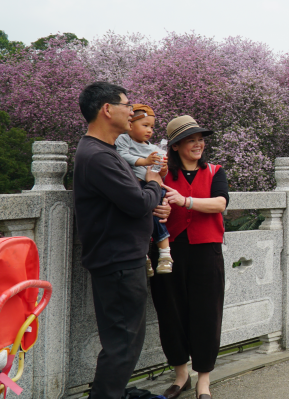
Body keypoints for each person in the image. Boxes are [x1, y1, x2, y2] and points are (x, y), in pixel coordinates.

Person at [73, 82, 180, 399]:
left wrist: (154, 201)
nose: (131, 111)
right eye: (127, 105)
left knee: (125, 340)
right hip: (117, 260)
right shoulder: (98, 156)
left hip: (120, 257)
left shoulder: (103, 152)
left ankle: (114, 393)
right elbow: (136, 203)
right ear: (107, 109)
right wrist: (153, 183)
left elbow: (134, 200)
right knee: (123, 342)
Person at [149, 116, 229, 399]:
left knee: (207, 314)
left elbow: (220, 203)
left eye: (200, 139)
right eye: (190, 140)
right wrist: (159, 208)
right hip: (167, 251)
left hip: (207, 250)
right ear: (175, 146)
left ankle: (203, 380)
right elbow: (150, 201)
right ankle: (181, 375)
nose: (198, 144)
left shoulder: (215, 171)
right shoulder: (162, 173)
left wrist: (186, 201)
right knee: (170, 312)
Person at [115, 104, 173, 276]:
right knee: (140, 222)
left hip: (151, 187)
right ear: (130, 124)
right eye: (145, 125)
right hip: (136, 187)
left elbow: (161, 173)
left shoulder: (155, 149)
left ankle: (165, 254)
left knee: (156, 218)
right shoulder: (123, 140)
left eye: (152, 127)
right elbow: (122, 155)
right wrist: (144, 161)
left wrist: (163, 168)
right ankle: (144, 256)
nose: (149, 130)